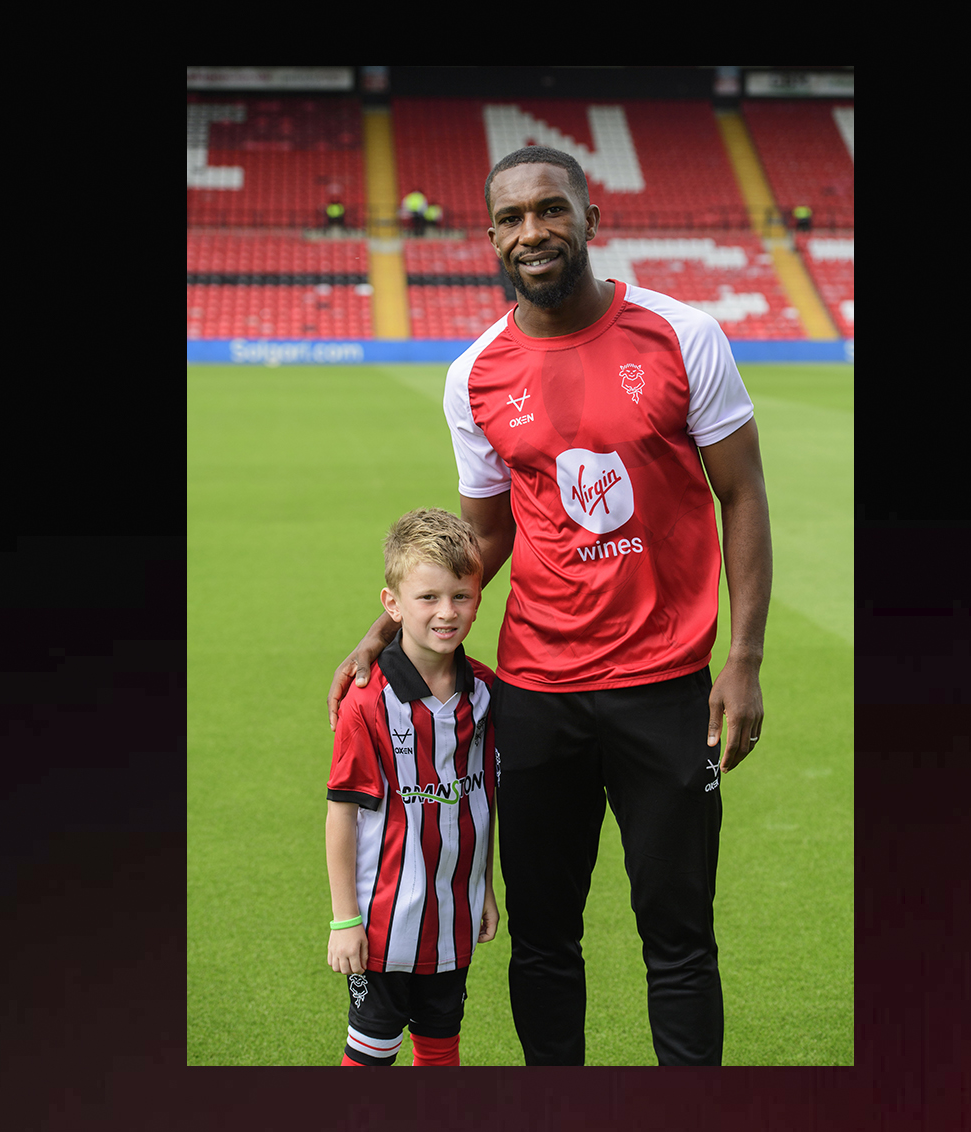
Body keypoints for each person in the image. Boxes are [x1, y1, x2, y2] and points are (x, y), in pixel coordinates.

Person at [327, 146, 772, 1066]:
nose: (532, 231)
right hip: (536, 696)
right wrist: (389, 627)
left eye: (550, 209)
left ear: (589, 218)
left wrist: (744, 659)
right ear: (492, 236)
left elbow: (743, 493)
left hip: (668, 687)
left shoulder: (684, 335)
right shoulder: (474, 375)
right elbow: (484, 539)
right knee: (540, 939)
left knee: (679, 936)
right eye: (511, 218)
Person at [326, 507, 501, 1067]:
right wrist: (345, 920)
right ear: (393, 604)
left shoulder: (486, 692)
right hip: (382, 925)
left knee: (441, 1048)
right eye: (428, 598)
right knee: (372, 1055)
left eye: (461, 596)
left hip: (454, 915)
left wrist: (485, 887)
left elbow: (481, 800)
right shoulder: (367, 700)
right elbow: (342, 813)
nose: (446, 612)